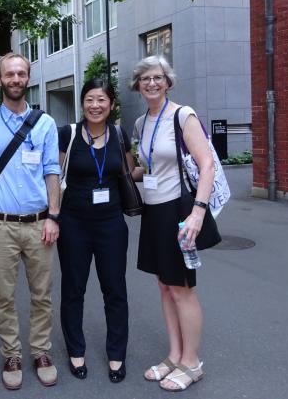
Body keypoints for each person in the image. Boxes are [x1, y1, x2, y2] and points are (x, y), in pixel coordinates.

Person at [0, 52, 61, 391]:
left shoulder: (46, 123)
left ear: (28, 78)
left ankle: (41, 352)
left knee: (42, 294)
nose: (16, 79)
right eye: (10, 74)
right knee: (4, 296)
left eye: (21, 73)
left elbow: (52, 171)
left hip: (39, 224)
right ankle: (11, 354)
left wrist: (53, 216)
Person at [129, 56, 214, 391]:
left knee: (182, 288)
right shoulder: (140, 123)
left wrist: (197, 212)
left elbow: (206, 164)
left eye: (158, 77)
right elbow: (144, 169)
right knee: (165, 286)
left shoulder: (183, 115)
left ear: (168, 81)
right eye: (145, 78)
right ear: (137, 84)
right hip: (153, 211)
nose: (152, 83)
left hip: (179, 210)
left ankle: (192, 363)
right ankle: (175, 355)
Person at [57, 78, 133, 383]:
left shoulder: (118, 134)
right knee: (73, 289)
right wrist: (51, 216)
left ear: (111, 104)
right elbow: (54, 176)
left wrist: (163, 166)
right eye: (90, 99)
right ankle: (76, 350)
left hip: (111, 224)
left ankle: (117, 354)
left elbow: (129, 172)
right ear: (82, 103)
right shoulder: (69, 134)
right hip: (73, 223)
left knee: (115, 290)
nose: (95, 105)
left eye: (102, 99)